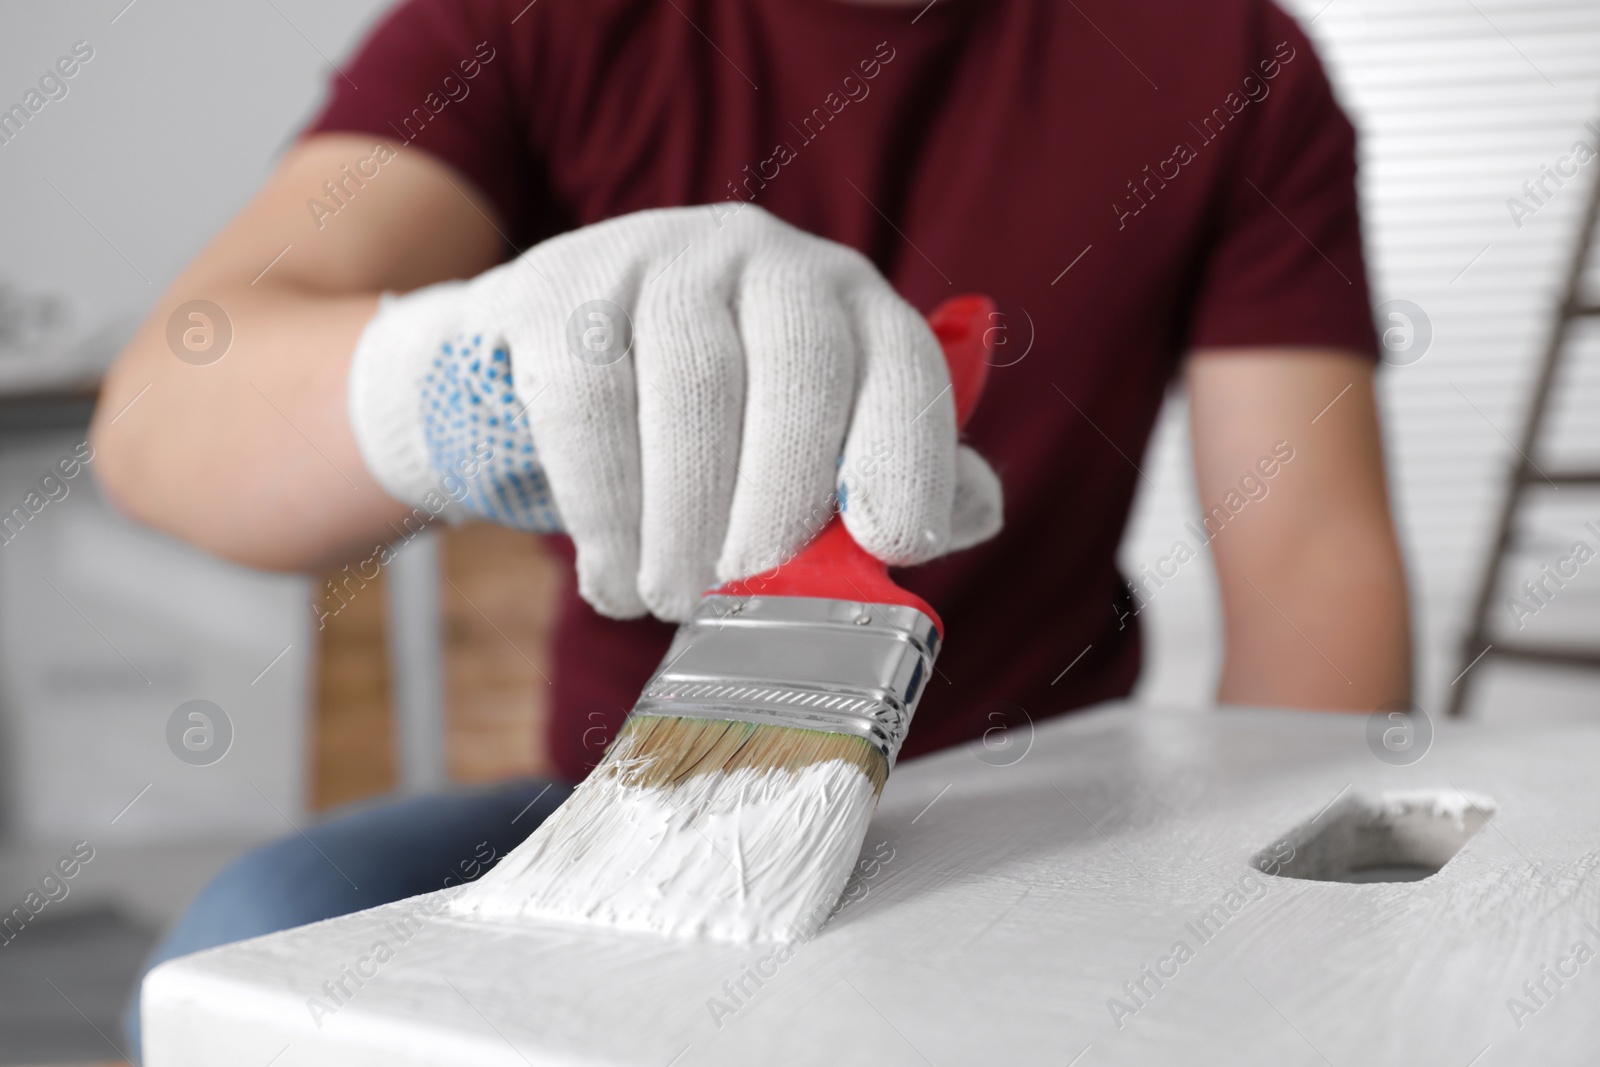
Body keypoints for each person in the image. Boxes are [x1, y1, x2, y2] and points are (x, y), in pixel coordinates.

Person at [94, 0, 1411, 1056]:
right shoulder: (532, 22)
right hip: (649, 815)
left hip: (1060, 812)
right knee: (253, 933)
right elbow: (164, 421)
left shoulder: (1228, 55)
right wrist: (462, 388)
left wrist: (1255, 948)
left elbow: (1314, 567)